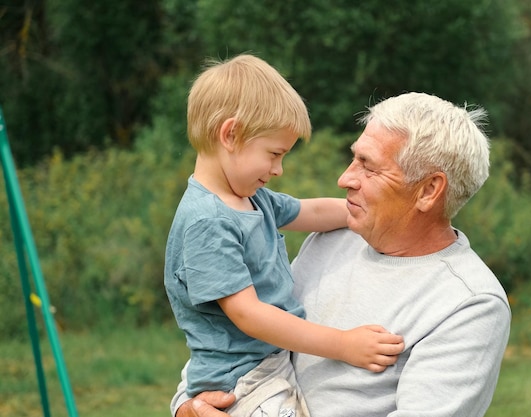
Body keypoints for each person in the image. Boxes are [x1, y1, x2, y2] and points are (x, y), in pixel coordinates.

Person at [173, 91, 512, 417]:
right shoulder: (332, 240)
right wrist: (188, 407)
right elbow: (233, 341)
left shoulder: (470, 304)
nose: (344, 178)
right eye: (354, 158)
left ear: (428, 190)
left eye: (368, 166)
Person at [165, 54, 405, 417]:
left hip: (266, 366)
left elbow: (311, 212)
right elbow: (250, 315)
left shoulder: (251, 198)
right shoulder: (208, 223)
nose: (278, 169)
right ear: (230, 134)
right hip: (241, 383)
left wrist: (370, 212)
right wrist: (344, 344)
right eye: (274, 154)